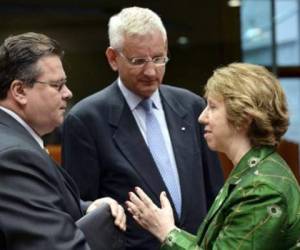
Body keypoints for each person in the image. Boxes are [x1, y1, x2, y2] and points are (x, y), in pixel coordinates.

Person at [62, 6, 223, 250]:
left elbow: (215, 193)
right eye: (138, 61)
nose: (151, 71)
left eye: (159, 59)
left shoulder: (191, 107)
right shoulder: (86, 120)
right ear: (113, 58)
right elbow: (81, 211)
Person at [126, 62, 300, 249]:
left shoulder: (262, 189)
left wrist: (167, 232)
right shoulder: (252, 173)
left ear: (244, 118)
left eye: (212, 107)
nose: (202, 117)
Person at [0, 32, 126, 250]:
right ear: (19, 91)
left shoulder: (15, 143)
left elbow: (35, 203)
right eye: (57, 85)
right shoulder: (14, 157)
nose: (68, 93)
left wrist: (87, 207)